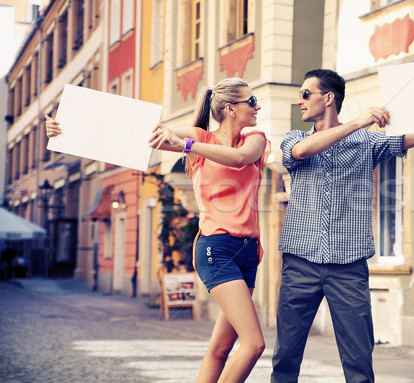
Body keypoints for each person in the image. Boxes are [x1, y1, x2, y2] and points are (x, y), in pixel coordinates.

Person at [46, 78, 270, 383]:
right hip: (216, 248)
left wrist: (186, 146)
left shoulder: (254, 138)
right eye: (252, 101)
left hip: (248, 253)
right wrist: (67, 127)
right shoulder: (199, 136)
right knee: (254, 344)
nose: (258, 106)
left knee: (221, 347)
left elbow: (241, 159)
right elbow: (138, 133)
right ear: (230, 108)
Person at [271, 69, 414, 383]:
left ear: (328, 98)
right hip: (300, 263)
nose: (299, 100)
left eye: (306, 93)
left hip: (349, 266)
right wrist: (358, 121)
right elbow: (303, 152)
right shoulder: (296, 139)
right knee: (286, 357)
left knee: (359, 359)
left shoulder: (368, 143)